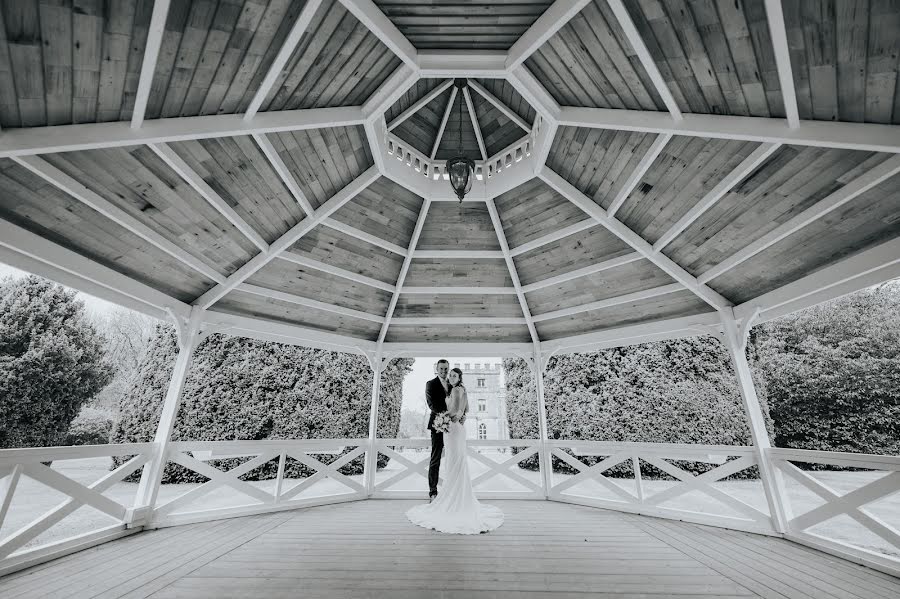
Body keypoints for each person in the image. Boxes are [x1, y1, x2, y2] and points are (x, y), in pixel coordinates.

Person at [407, 367, 504, 534]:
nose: (450, 376)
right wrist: (448, 418)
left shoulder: (457, 389)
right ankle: (447, 495)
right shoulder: (445, 387)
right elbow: (459, 408)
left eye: (453, 374)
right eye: (448, 373)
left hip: (451, 428)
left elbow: (460, 411)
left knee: (455, 463)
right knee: (449, 462)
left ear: (459, 377)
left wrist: (446, 418)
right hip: (449, 428)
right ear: (439, 370)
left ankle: (455, 499)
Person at [424, 359, 450, 501]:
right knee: (436, 458)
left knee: (453, 458)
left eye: (446, 369)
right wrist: (445, 416)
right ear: (437, 369)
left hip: (452, 426)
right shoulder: (431, 384)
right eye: (441, 368)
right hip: (437, 425)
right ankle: (433, 492)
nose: (444, 371)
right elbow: (431, 404)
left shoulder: (452, 384)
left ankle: (451, 490)